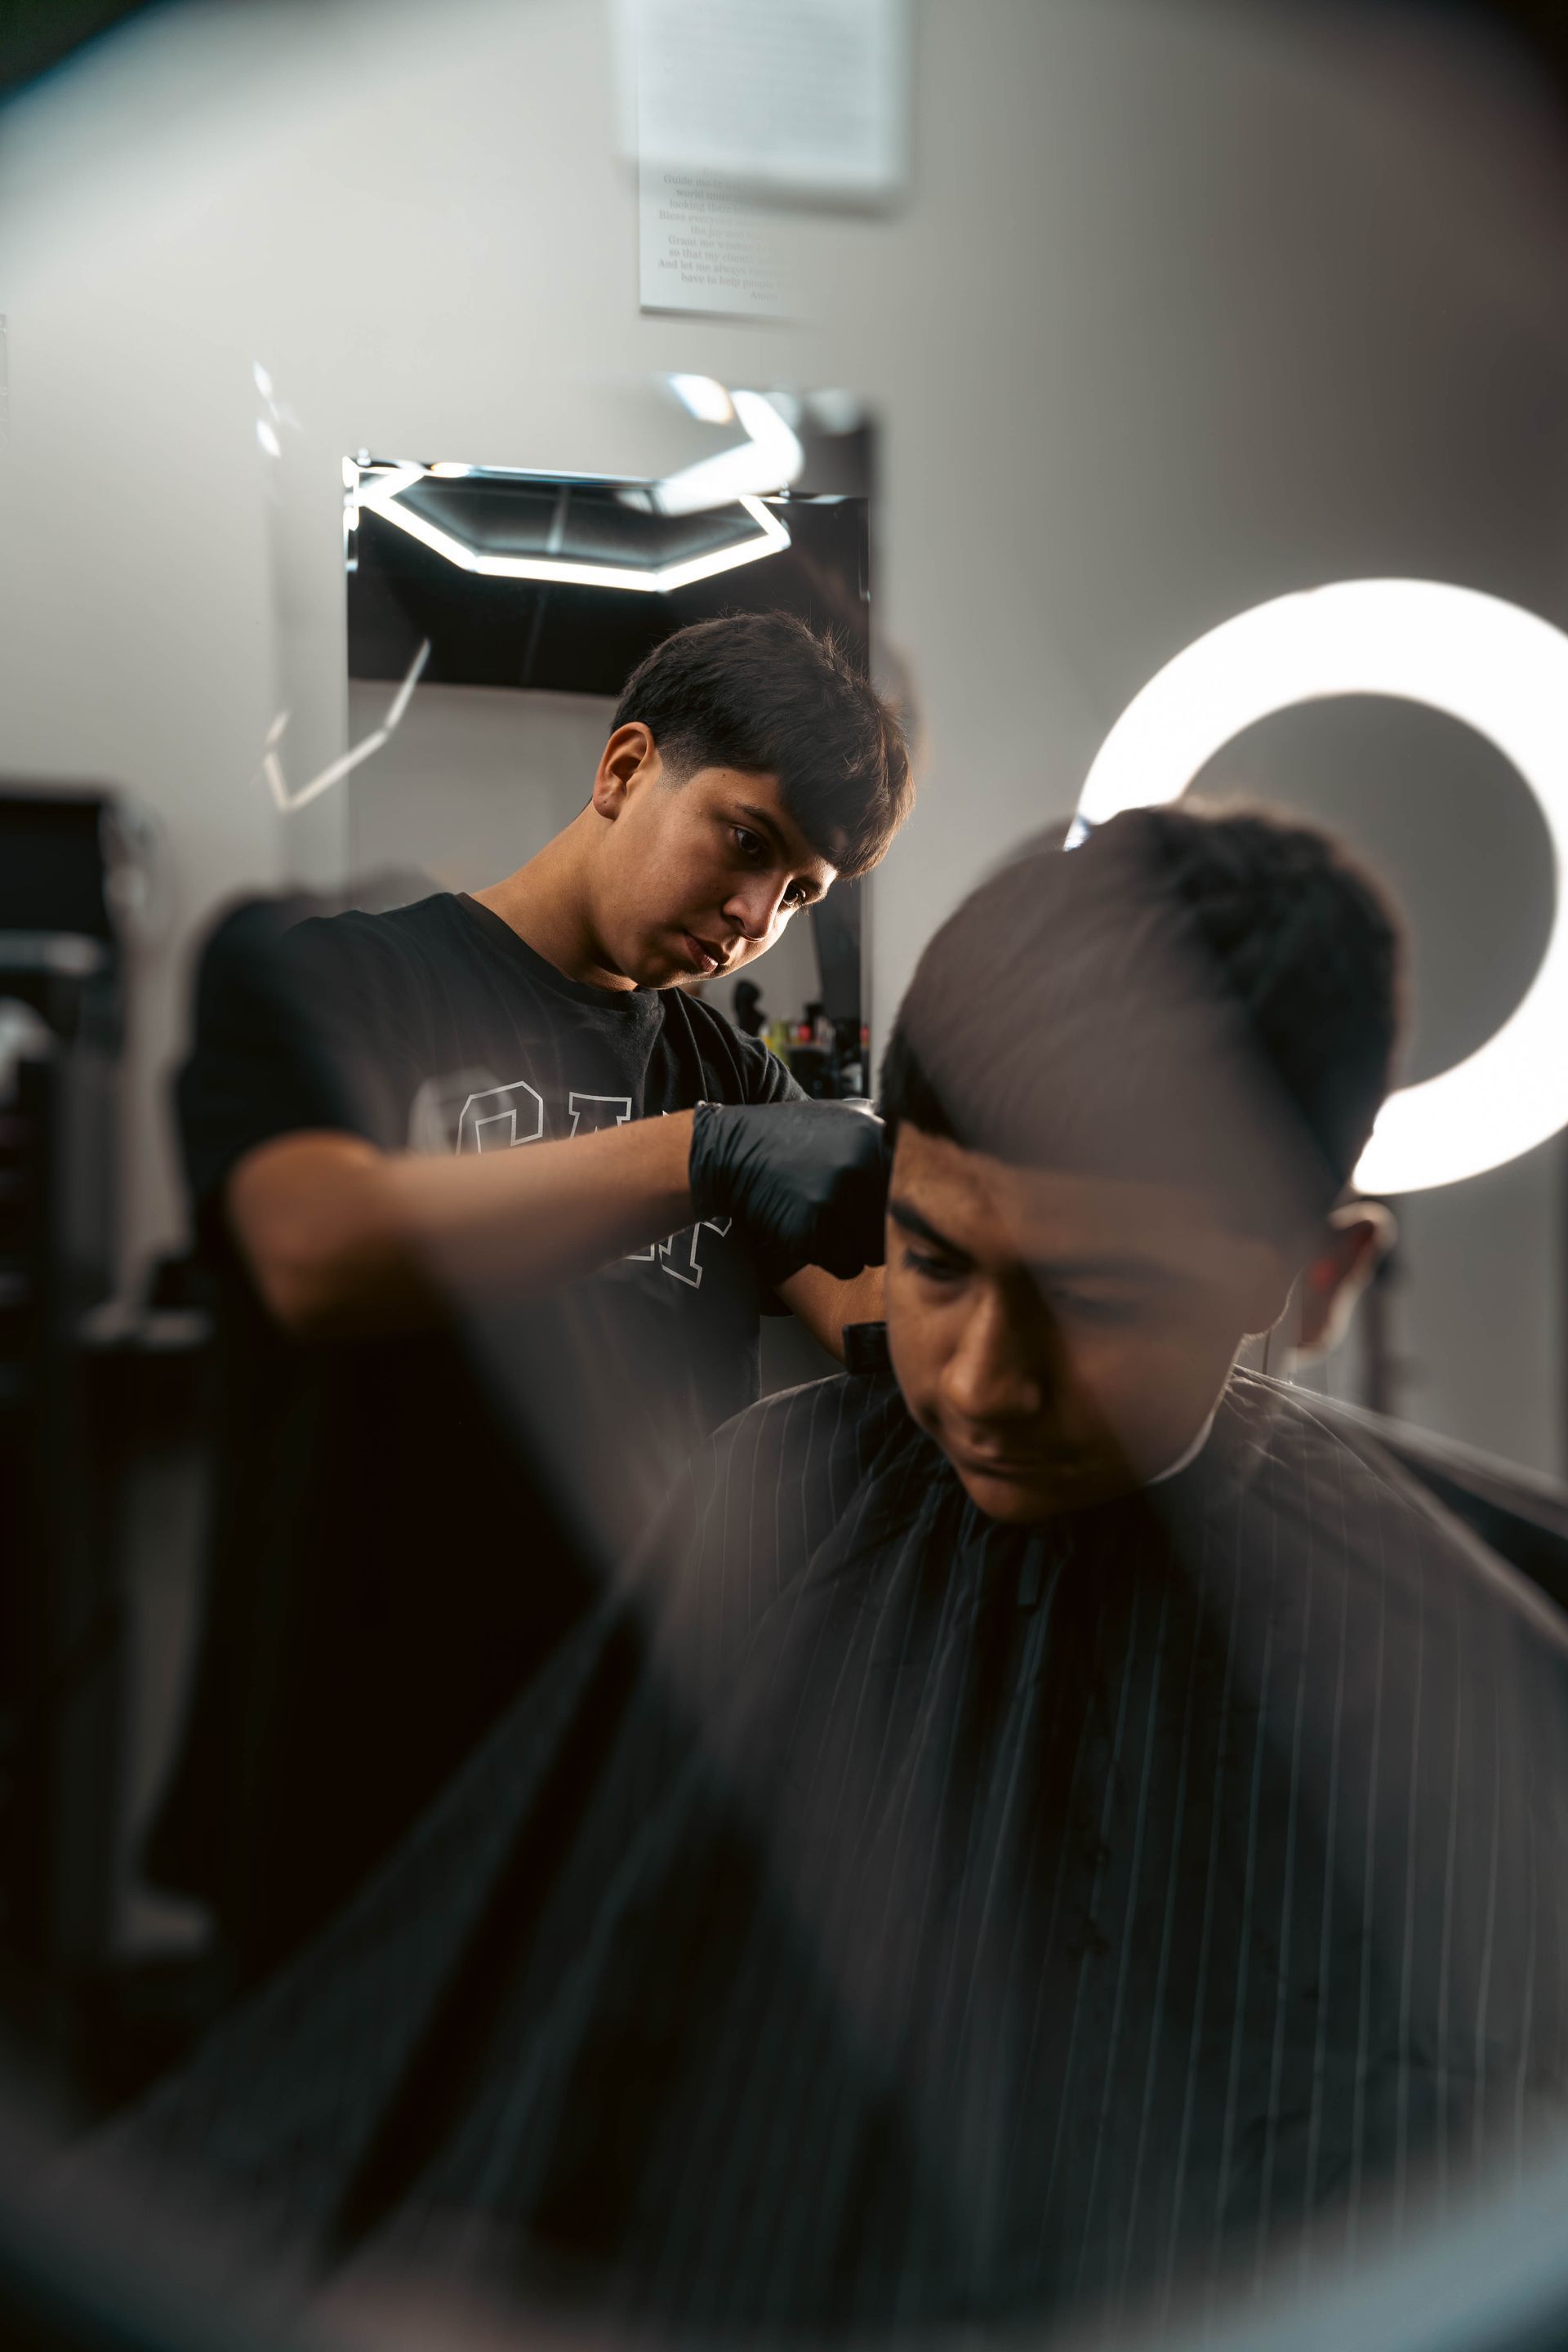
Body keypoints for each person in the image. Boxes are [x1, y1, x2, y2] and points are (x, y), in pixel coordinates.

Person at [114, 805, 1568, 2336]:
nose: (985, 1387)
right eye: (937, 1260)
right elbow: (581, 2038)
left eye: (1102, 1299)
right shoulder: (788, 1488)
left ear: (1321, 1279)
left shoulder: (1470, 1672)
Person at [144, 611, 911, 1989]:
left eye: (800, 895)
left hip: (614, 1763)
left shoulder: (731, 1073)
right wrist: (690, 1157)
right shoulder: (336, 979)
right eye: (747, 843)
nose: (756, 922)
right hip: (353, 1756)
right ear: (625, 769)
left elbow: (876, 1324)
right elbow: (316, 1252)